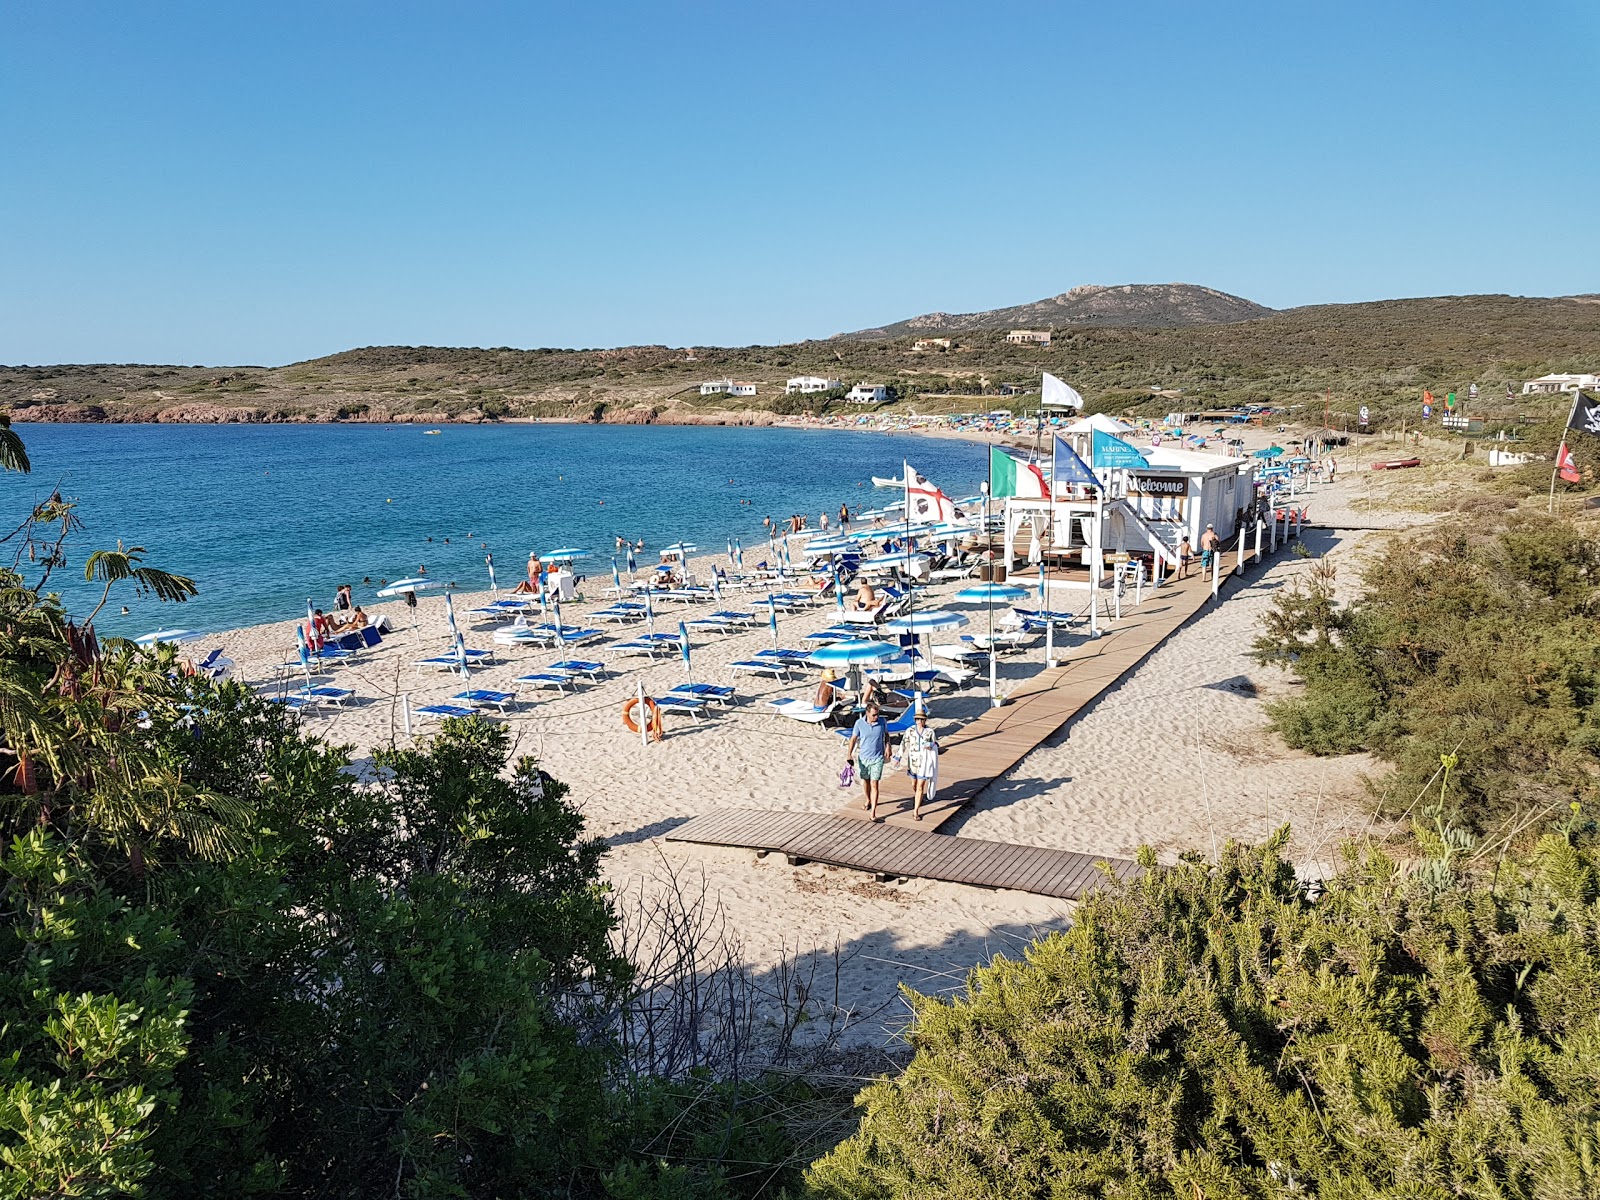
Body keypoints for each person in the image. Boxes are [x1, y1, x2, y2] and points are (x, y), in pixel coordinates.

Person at [844, 702, 891, 820]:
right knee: (866, 781)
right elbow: (853, 739)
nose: (876, 717)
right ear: (867, 713)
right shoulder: (859, 723)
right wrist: (849, 754)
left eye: (878, 714)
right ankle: (868, 799)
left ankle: (873, 813)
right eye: (874, 715)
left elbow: (886, 735)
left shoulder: (882, 722)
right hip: (864, 758)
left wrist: (888, 745)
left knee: (874, 784)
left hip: (878, 758)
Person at [898, 708, 940, 821]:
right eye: (918, 719)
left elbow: (936, 744)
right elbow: (903, 743)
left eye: (922, 719)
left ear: (925, 720)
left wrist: (931, 744)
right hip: (912, 763)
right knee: (914, 785)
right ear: (915, 720)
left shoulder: (930, 732)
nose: (920, 721)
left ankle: (915, 811)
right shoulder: (910, 730)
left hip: (925, 763)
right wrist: (898, 757)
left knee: (920, 787)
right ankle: (919, 798)